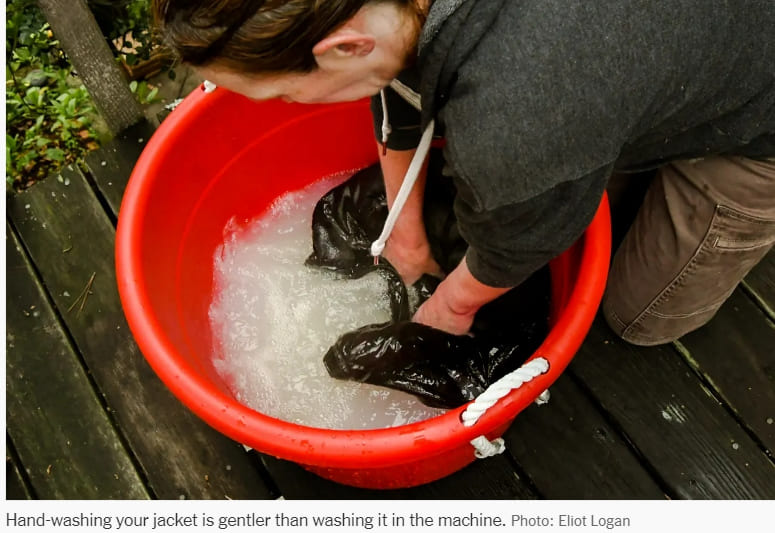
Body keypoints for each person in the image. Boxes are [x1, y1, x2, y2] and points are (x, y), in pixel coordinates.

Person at [151, 0, 775, 346]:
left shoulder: (517, 118)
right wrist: (404, 226)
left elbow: (520, 245)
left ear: (343, 45)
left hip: (753, 128)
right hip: (656, 47)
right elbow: (396, 78)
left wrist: (449, 309)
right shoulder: (392, 12)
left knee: (638, 322)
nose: (289, 109)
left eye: (285, 96)